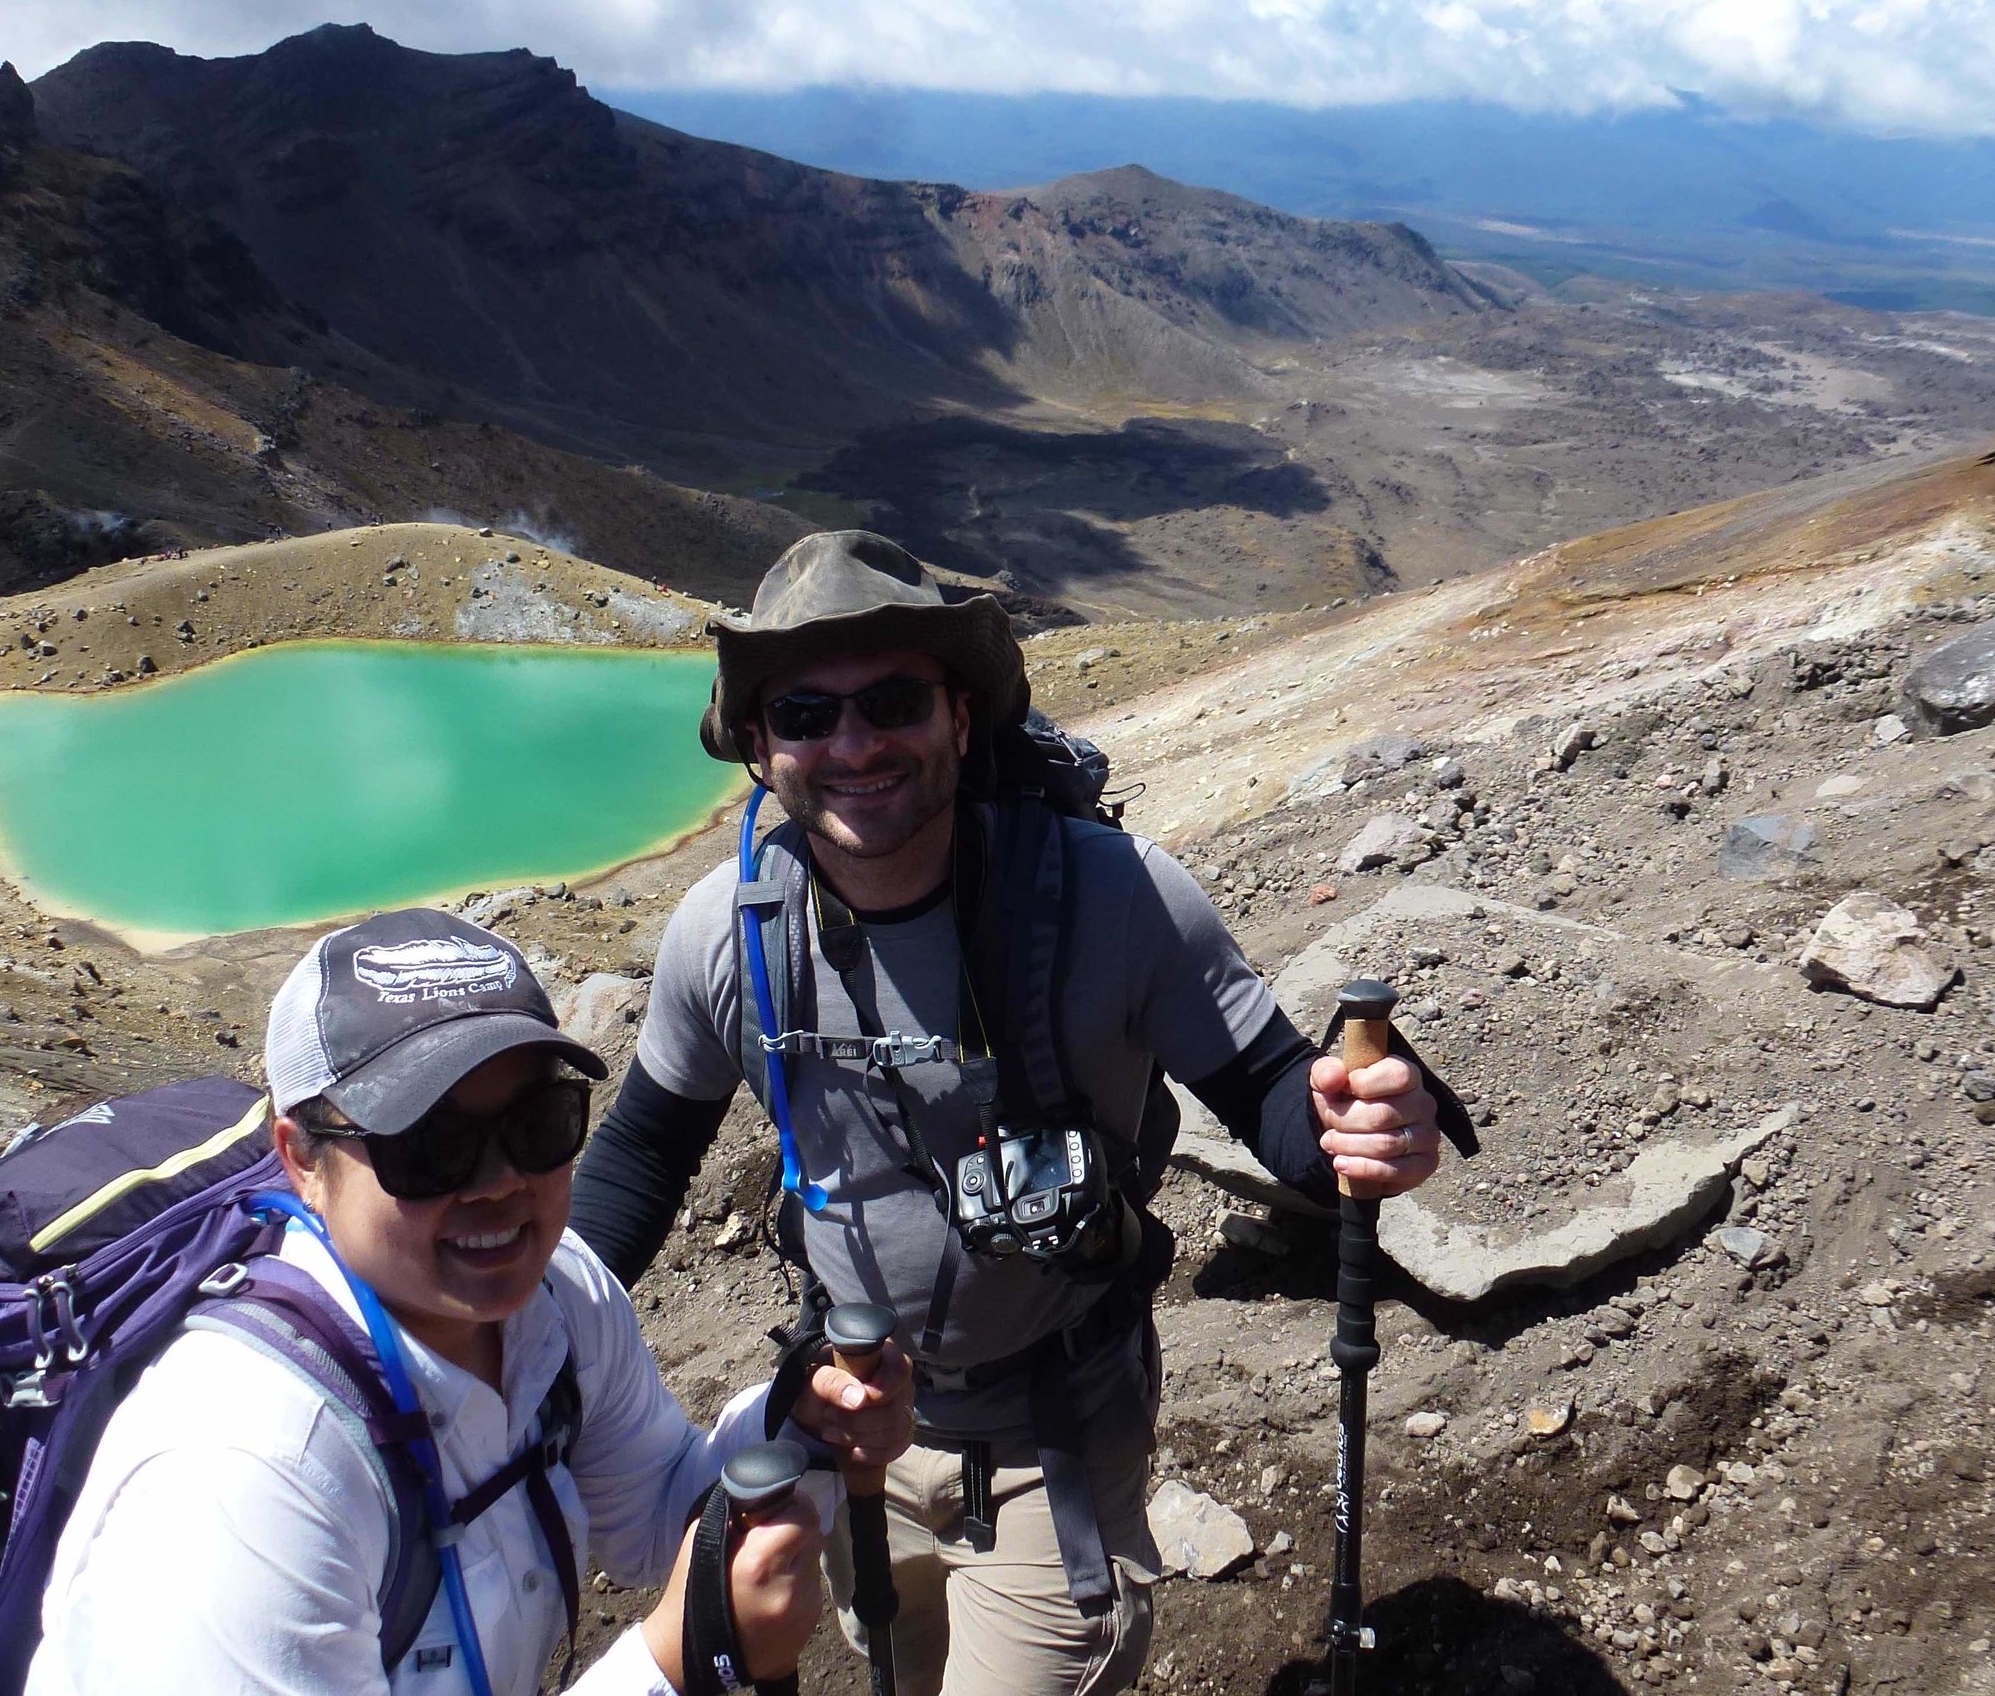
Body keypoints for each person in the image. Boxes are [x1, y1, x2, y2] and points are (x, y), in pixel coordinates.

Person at [570, 531, 1451, 1696]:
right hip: (848, 1431)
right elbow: (640, 1155)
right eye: (803, 716)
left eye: (892, 700)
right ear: (757, 748)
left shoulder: (1112, 894)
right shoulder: (726, 932)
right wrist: (519, 1335)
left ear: (961, 717)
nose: (852, 744)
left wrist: (1367, 1116)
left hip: (1053, 1437)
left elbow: (1272, 1092)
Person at [26, 907, 913, 1696]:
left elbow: (650, 1520)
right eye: (429, 1145)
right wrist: (676, 1657)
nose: (498, 1185)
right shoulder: (242, 1480)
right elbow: (671, 1611)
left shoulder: (556, 1299)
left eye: (538, 1126)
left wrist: (798, 1421)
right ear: (301, 1158)